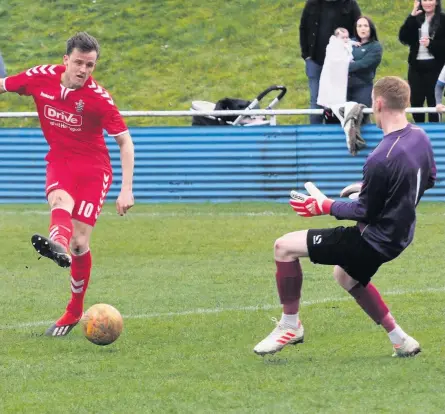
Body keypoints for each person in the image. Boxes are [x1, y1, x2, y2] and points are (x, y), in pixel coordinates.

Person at [253, 76, 436, 358]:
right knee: (345, 276)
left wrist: (324, 205)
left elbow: (365, 213)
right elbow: (427, 179)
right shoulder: (420, 137)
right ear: (407, 102)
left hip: (372, 240)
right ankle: (401, 340)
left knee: (283, 247)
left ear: (377, 103)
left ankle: (290, 325)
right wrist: (370, 190)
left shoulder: (380, 157)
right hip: (400, 236)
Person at [0, 32, 135, 336]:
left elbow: (125, 142)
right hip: (60, 159)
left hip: (93, 169)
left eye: (90, 65)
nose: (84, 70)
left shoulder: (98, 98)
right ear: (66, 60)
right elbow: (3, 85)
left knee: (80, 243)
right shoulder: (41, 77)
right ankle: (57, 243)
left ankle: (74, 310)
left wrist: (126, 188)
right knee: (60, 202)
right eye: (78, 63)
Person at [299, 0, 361, 124]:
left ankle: (337, 135)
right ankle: (314, 135)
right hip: (315, 61)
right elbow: (303, 28)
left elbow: (358, 29)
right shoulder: (312, 4)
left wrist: (349, 50)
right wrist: (306, 55)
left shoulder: (349, 4)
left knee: (339, 99)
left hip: (338, 65)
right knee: (316, 100)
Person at [399, 0, 445, 123]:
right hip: (416, 67)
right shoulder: (416, 18)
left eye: (431, 0)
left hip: (435, 67)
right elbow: (403, 37)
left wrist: (431, 44)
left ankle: (434, 132)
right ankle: (419, 129)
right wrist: (411, 16)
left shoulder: (443, 19)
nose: (427, 3)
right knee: (415, 101)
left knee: (433, 100)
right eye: (424, 0)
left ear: (436, 2)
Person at [347, 16, 382, 113]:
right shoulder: (348, 43)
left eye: (365, 26)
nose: (362, 28)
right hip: (344, 86)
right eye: (359, 26)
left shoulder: (375, 46)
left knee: (362, 118)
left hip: (363, 86)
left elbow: (364, 64)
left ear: (371, 28)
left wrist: (345, 66)